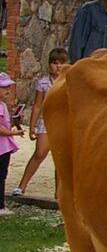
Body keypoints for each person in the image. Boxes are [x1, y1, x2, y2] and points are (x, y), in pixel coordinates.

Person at [11, 49, 68, 198]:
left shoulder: (69, 80)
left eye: (61, 63)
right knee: (40, 152)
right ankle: (22, 186)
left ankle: (59, 193)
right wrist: (32, 126)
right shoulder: (43, 82)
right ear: (50, 65)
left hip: (64, 122)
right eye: (55, 63)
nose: (58, 66)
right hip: (46, 121)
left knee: (60, 158)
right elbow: (37, 105)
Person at [0, 75, 18, 213]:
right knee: (1, 175)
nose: (8, 90)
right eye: (4, 87)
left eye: (8, 87)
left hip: (4, 146)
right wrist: (13, 133)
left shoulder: (3, 105)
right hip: (2, 147)